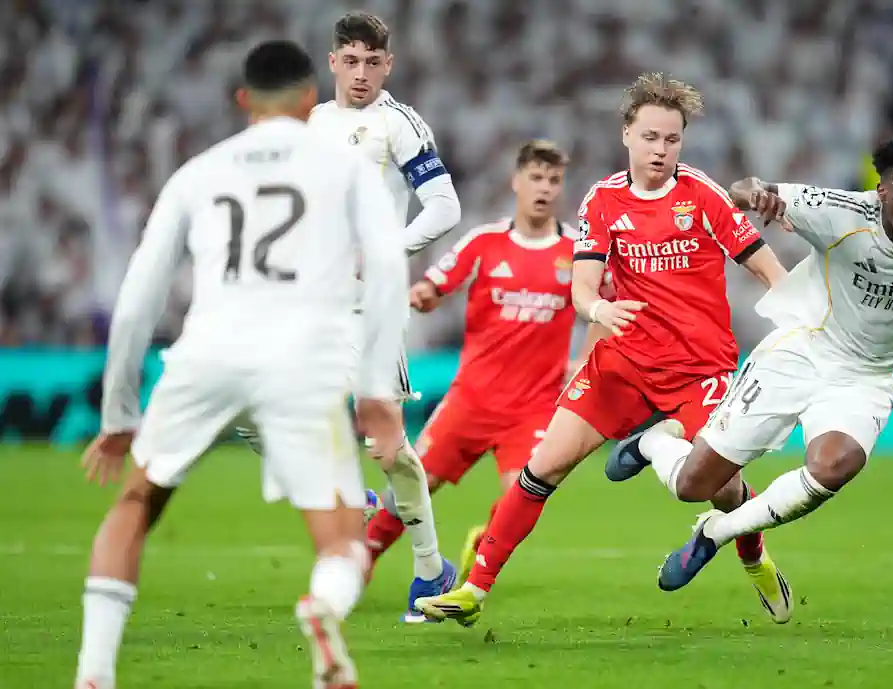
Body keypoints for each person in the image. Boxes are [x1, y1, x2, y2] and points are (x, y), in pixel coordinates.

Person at [73, 40, 408, 689]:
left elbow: (139, 295)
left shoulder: (198, 172)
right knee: (342, 542)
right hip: (302, 360)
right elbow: (390, 265)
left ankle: (93, 673)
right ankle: (321, 612)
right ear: (312, 99)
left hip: (207, 350)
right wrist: (375, 392)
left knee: (136, 502)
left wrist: (120, 414)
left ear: (242, 100)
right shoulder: (343, 169)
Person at [416, 73, 792, 627]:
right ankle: (472, 589)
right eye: (650, 137)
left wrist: (796, 321)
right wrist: (598, 311)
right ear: (627, 136)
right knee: (542, 468)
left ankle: (753, 556)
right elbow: (583, 286)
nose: (660, 150)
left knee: (718, 488)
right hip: (624, 363)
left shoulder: (702, 195)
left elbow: (766, 266)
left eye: (671, 139)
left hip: (700, 369)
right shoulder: (604, 200)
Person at [608, 133, 893, 593]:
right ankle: (656, 441)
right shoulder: (840, 212)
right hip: (803, 351)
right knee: (693, 485)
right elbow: (743, 187)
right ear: (881, 193)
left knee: (835, 466)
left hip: (866, 377)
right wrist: (754, 195)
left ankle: (716, 533)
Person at [236, 10, 463, 609]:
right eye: (351, 60)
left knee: (389, 447)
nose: (361, 73)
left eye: (373, 62)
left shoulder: (399, 124)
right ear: (333, 62)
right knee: (254, 416)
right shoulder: (311, 124)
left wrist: (387, 248)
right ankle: (341, 491)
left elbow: (444, 206)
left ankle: (431, 571)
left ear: (387, 65)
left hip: (374, 309)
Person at [364, 139, 608, 621]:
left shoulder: (577, 250)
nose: (543, 188)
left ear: (562, 188)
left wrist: (584, 358)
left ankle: (480, 553)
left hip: (533, 409)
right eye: (535, 178)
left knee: (527, 490)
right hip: (471, 400)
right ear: (516, 182)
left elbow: (602, 301)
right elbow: (438, 281)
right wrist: (424, 294)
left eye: (553, 180)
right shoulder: (485, 242)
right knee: (415, 484)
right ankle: (365, 555)